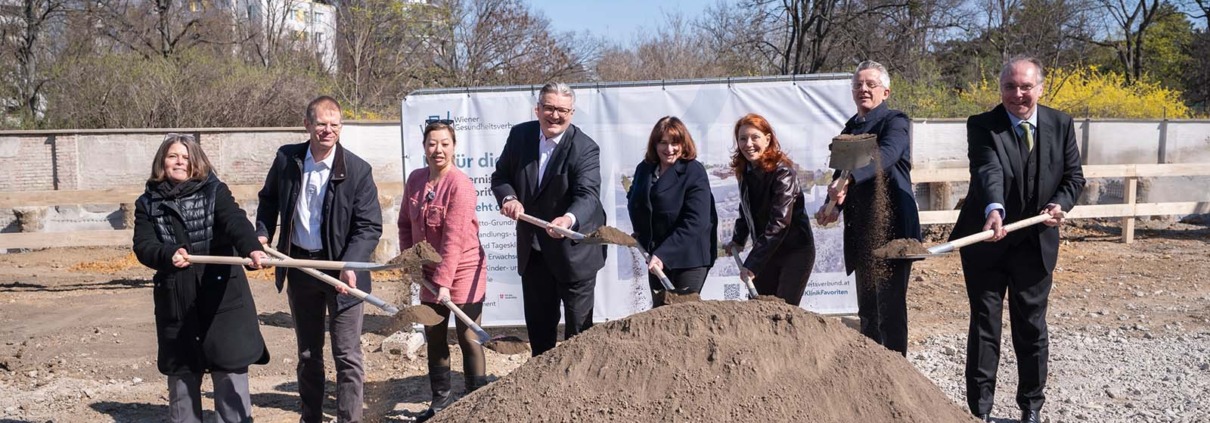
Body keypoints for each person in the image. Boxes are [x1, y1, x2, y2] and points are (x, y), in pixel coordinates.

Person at [953, 56, 1084, 423]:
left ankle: (1031, 407)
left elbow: (1074, 177)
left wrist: (1060, 204)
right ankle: (980, 411)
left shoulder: (1061, 124)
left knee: (1031, 326)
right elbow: (987, 169)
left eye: (1026, 87)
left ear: (1040, 88)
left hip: (1035, 242)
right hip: (987, 239)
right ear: (1001, 89)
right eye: (1010, 87)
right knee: (985, 325)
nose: (1017, 94)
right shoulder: (982, 125)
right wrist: (994, 207)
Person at [255, 96, 383, 423]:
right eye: (321, 124)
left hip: (343, 274)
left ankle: (348, 420)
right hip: (300, 267)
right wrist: (262, 233)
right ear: (307, 125)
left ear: (341, 127)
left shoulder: (357, 170)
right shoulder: (287, 160)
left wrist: (351, 264)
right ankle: (310, 417)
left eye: (334, 124)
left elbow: (369, 226)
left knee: (347, 355)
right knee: (308, 354)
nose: (328, 130)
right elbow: (268, 200)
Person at [132, 134, 270, 423]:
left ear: (197, 162)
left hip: (222, 296)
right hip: (177, 299)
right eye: (173, 156)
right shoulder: (147, 202)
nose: (179, 162)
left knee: (230, 374)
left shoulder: (215, 191)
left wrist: (252, 249)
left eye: (186, 157)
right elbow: (143, 245)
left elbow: (235, 222)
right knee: (182, 379)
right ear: (162, 162)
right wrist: (167, 253)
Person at [491, 82, 606, 357]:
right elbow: (501, 176)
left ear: (572, 113)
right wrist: (509, 199)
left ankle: (578, 382)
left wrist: (567, 220)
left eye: (562, 110)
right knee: (540, 334)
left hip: (574, 254)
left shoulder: (585, 148)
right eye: (549, 108)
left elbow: (588, 196)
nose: (555, 115)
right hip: (534, 252)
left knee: (579, 336)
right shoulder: (520, 136)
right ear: (538, 109)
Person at [816, 60, 921, 356]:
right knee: (868, 313)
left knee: (890, 311)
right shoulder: (850, 128)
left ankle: (897, 371)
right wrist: (832, 206)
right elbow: (841, 175)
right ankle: (872, 372)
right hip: (861, 231)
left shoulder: (895, 122)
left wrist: (849, 180)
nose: (863, 89)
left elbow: (886, 154)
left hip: (893, 232)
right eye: (858, 85)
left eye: (870, 84)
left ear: (885, 92)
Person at [398, 120, 488, 421]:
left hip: (463, 270)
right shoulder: (415, 180)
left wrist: (445, 283)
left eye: (445, 144)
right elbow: (404, 224)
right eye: (432, 143)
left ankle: (477, 405)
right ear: (424, 147)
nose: (438, 149)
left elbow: (453, 240)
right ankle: (441, 404)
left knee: (468, 337)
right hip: (428, 273)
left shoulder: (460, 185)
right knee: (434, 335)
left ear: (454, 147)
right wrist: (411, 262)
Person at [722, 113, 816, 305]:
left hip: (793, 251)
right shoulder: (745, 171)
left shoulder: (783, 173)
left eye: (754, 137)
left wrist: (753, 263)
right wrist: (739, 239)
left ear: (767, 139)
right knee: (759, 308)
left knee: (783, 309)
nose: (748, 144)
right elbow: (746, 208)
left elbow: (779, 222)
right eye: (742, 139)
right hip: (766, 252)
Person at [626, 116, 718, 306]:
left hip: (689, 258)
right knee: (660, 312)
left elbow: (696, 221)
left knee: (681, 313)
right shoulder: (644, 169)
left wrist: (664, 254)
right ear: (655, 144)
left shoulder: (693, 171)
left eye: (675, 143)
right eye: (663, 142)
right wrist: (641, 232)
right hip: (655, 255)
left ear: (684, 144)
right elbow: (635, 200)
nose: (669, 149)